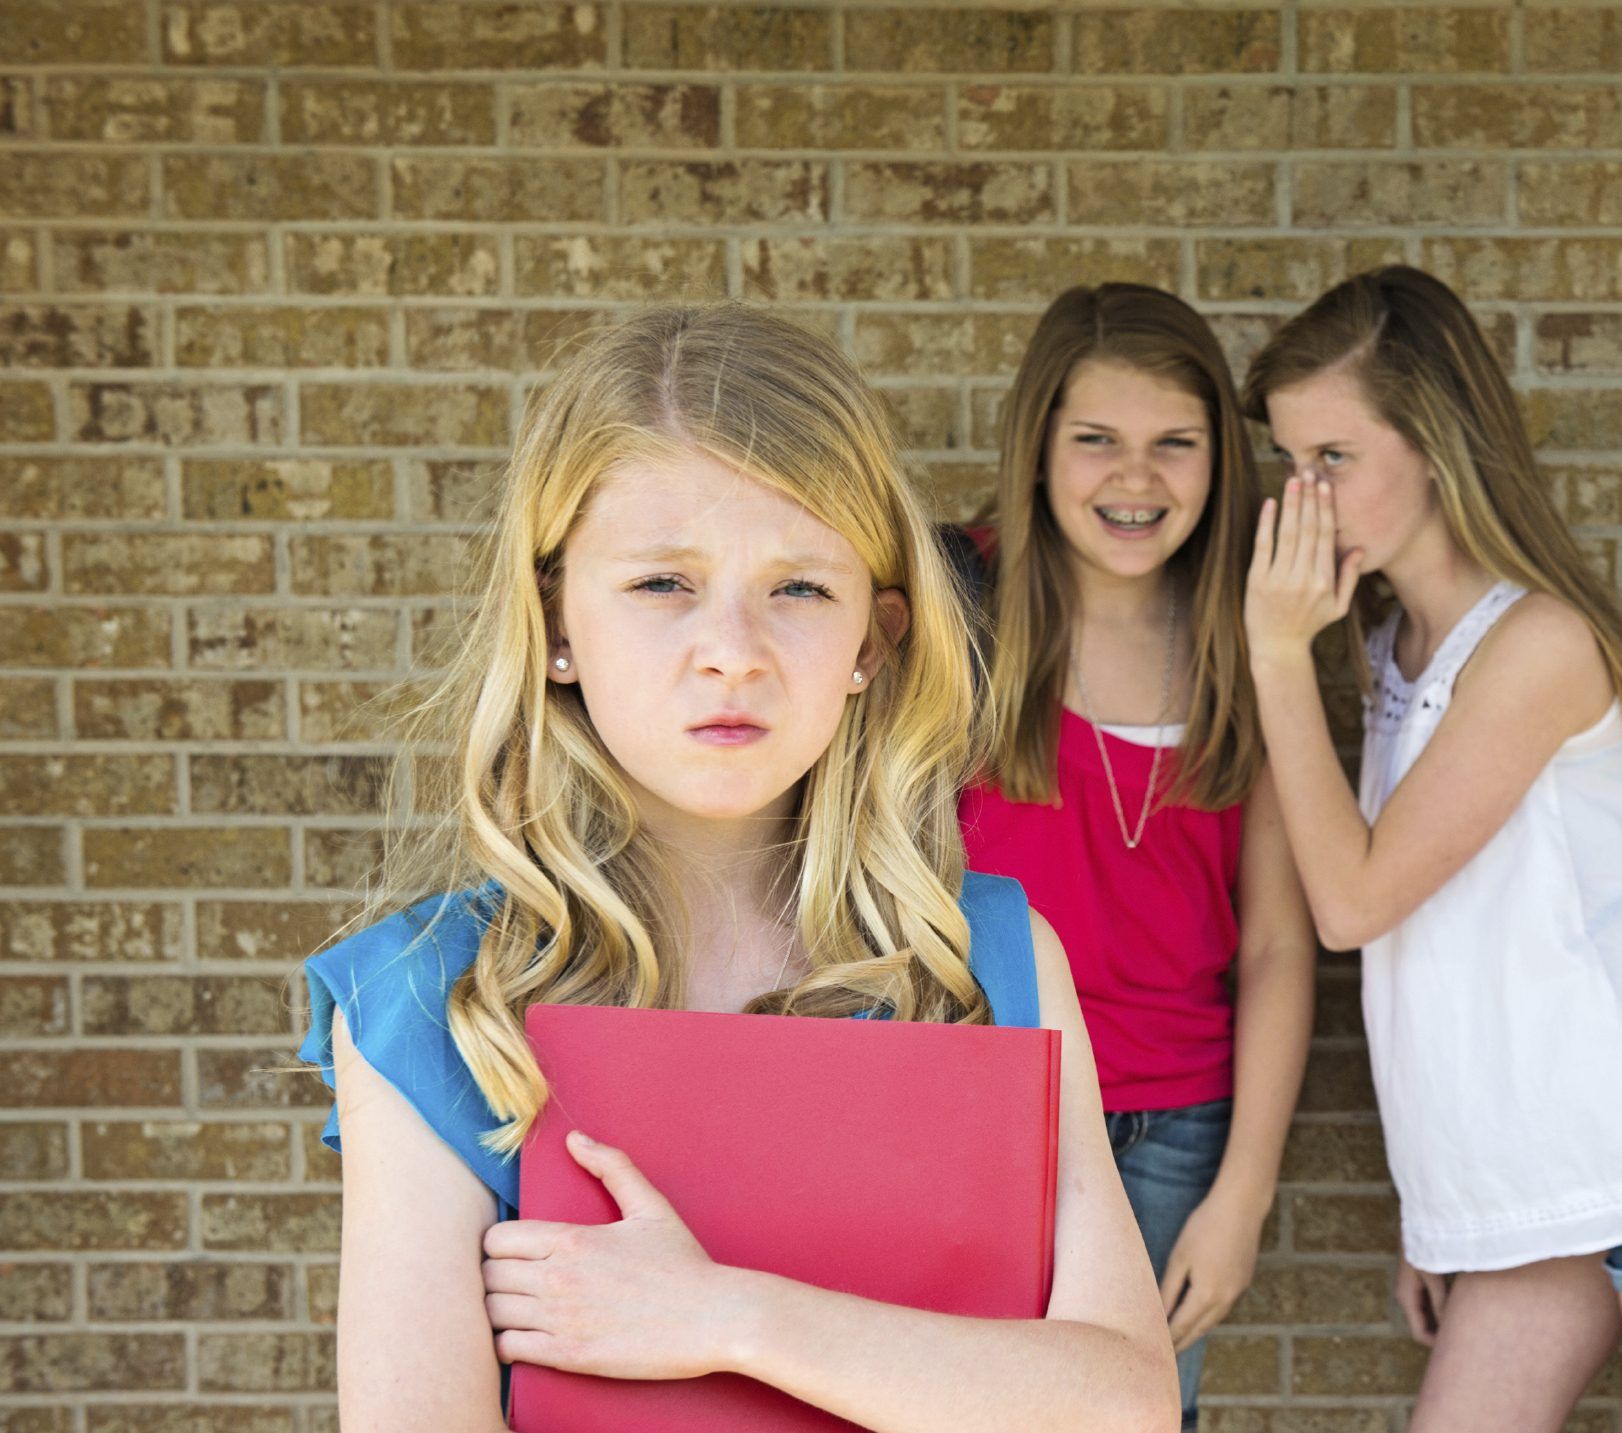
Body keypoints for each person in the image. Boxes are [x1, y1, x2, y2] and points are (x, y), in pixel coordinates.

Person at [297, 304, 1178, 1431]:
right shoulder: (431, 999)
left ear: (874, 638)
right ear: (555, 620)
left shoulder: (987, 956)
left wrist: (725, 1317)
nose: (733, 649)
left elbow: (1127, 1403)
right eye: (663, 583)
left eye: (800, 587)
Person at [1240, 265, 1622, 1433]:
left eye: (1334, 460)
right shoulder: (1386, 643)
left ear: (1434, 441)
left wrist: (1271, 656)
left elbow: (1353, 903)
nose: (1301, 498)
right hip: (1549, 1165)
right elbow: (1441, 954)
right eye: (1289, 462)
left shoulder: (1537, 644)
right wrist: (1449, 1202)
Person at [958, 283, 1317, 1431]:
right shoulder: (956, 608)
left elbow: (1273, 940)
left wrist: (1243, 1196)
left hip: (1175, 1126)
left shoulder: (1247, 632)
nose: (1136, 477)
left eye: (1176, 443)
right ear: (1038, 447)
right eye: (1096, 441)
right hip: (987, 1099)